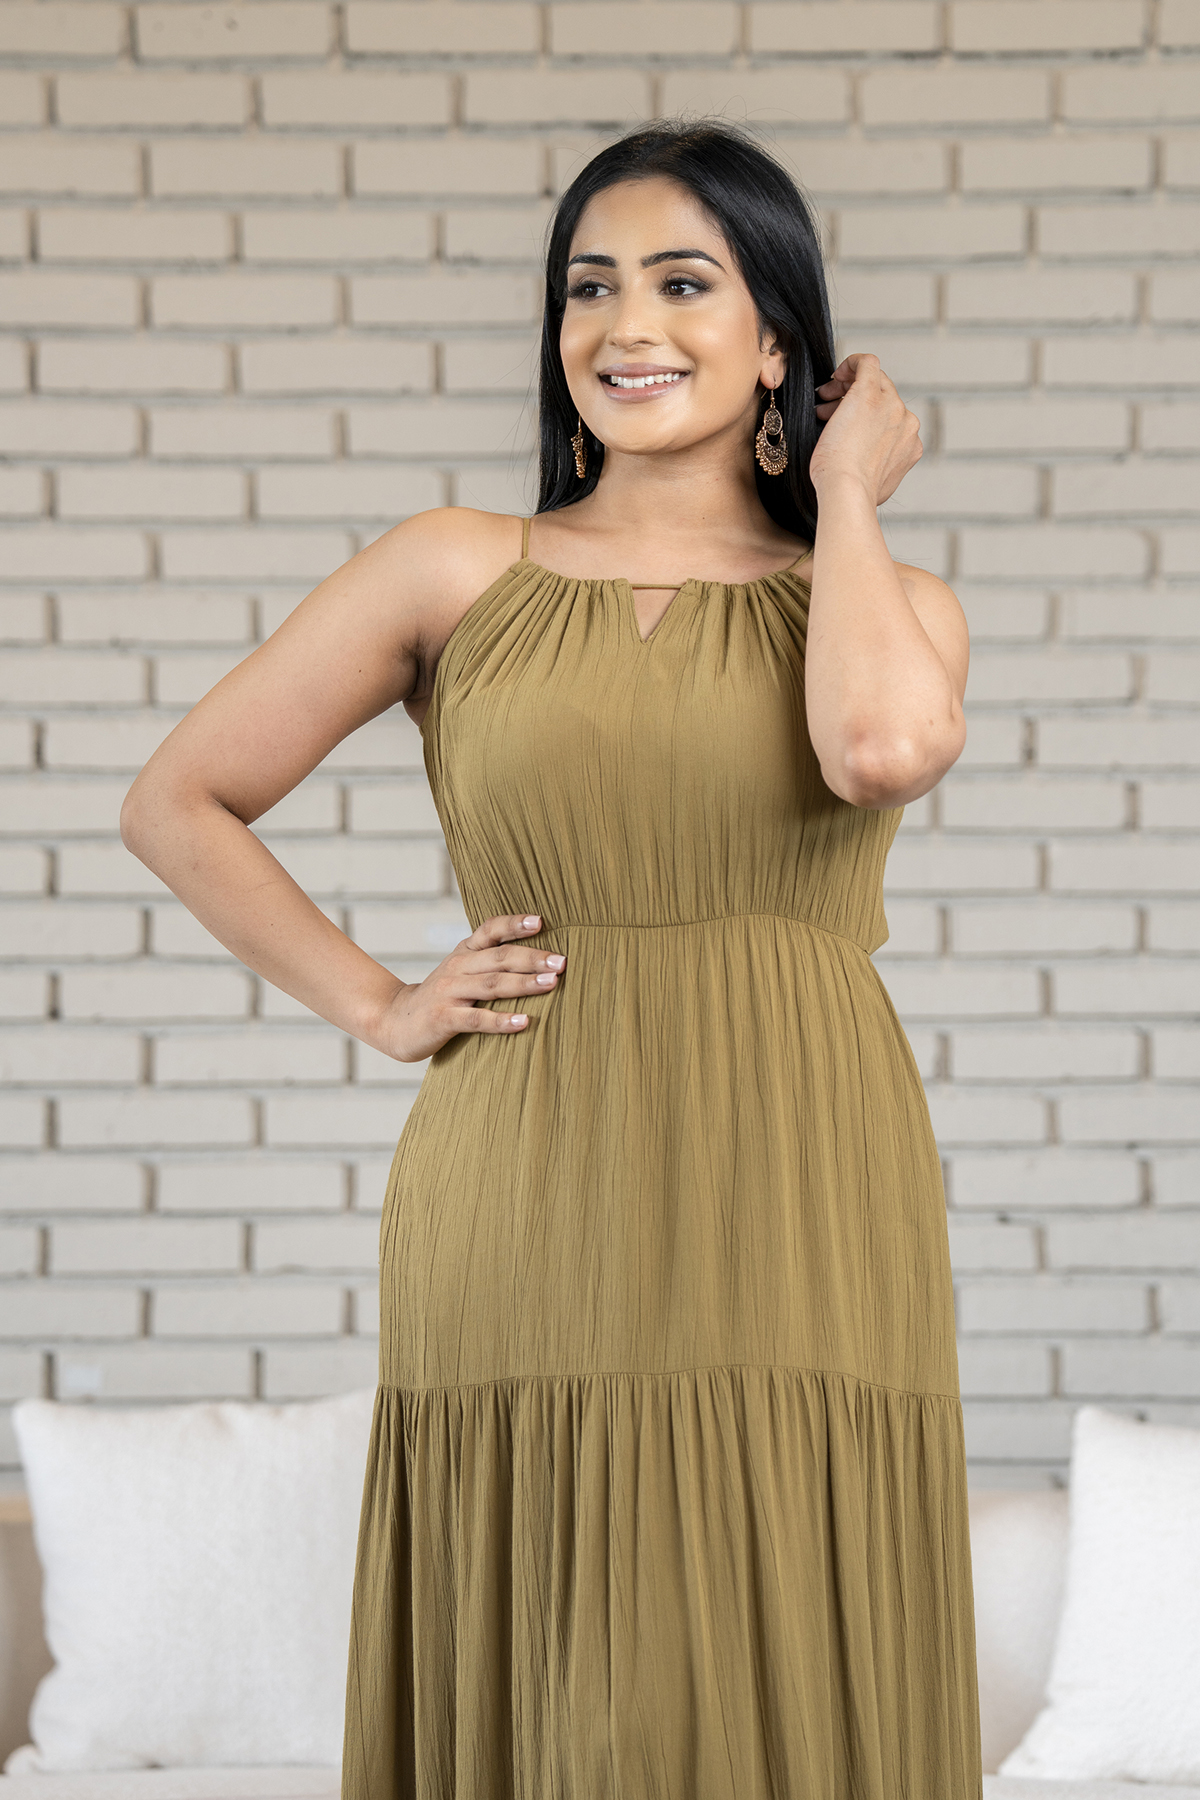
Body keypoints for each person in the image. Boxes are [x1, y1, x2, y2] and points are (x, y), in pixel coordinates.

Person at [121, 118, 981, 1799]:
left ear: (780, 341)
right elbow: (180, 801)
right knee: (559, 1630)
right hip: (532, 1165)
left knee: (772, 1594)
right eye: (590, 287)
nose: (625, 324)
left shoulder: (888, 599)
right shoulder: (454, 566)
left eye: (683, 283)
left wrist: (845, 497)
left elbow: (878, 748)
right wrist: (380, 1003)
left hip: (802, 1174)